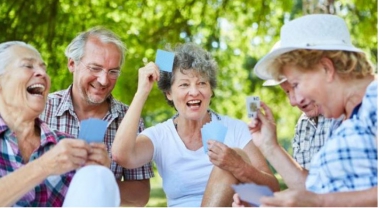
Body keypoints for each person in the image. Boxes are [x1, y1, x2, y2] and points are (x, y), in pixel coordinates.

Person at [112, 43, 280, 207]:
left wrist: (239, 166)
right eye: (184, 84)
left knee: (234, 155)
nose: (194, 91)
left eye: (202, 83)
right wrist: (142, 91)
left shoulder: (236, 129)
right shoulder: (160, 135)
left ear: (211, 90)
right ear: (169, 93)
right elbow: (121, 155)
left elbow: (273, 189)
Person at [235, 14, 377, 206]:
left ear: (326, 68)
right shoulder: (341, 120)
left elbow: (319, 200)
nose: (295, 100)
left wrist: (320, 202)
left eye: (296, 84)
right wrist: (270, 147)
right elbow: (312, 193)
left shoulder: (375, 98)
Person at [39, 27, 154, 206]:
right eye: (95, 68)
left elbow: (141, 195)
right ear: (72, 64)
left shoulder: (129, 120)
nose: (103, 80)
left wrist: (101, 179)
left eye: (113, 71)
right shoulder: (42, 110)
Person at [0, 41, 118, 206]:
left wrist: (97, 176)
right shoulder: (56, 156)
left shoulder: (68, 148)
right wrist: (43, 166)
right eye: (28, 66)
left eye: (44, 68)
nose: (41, 72)